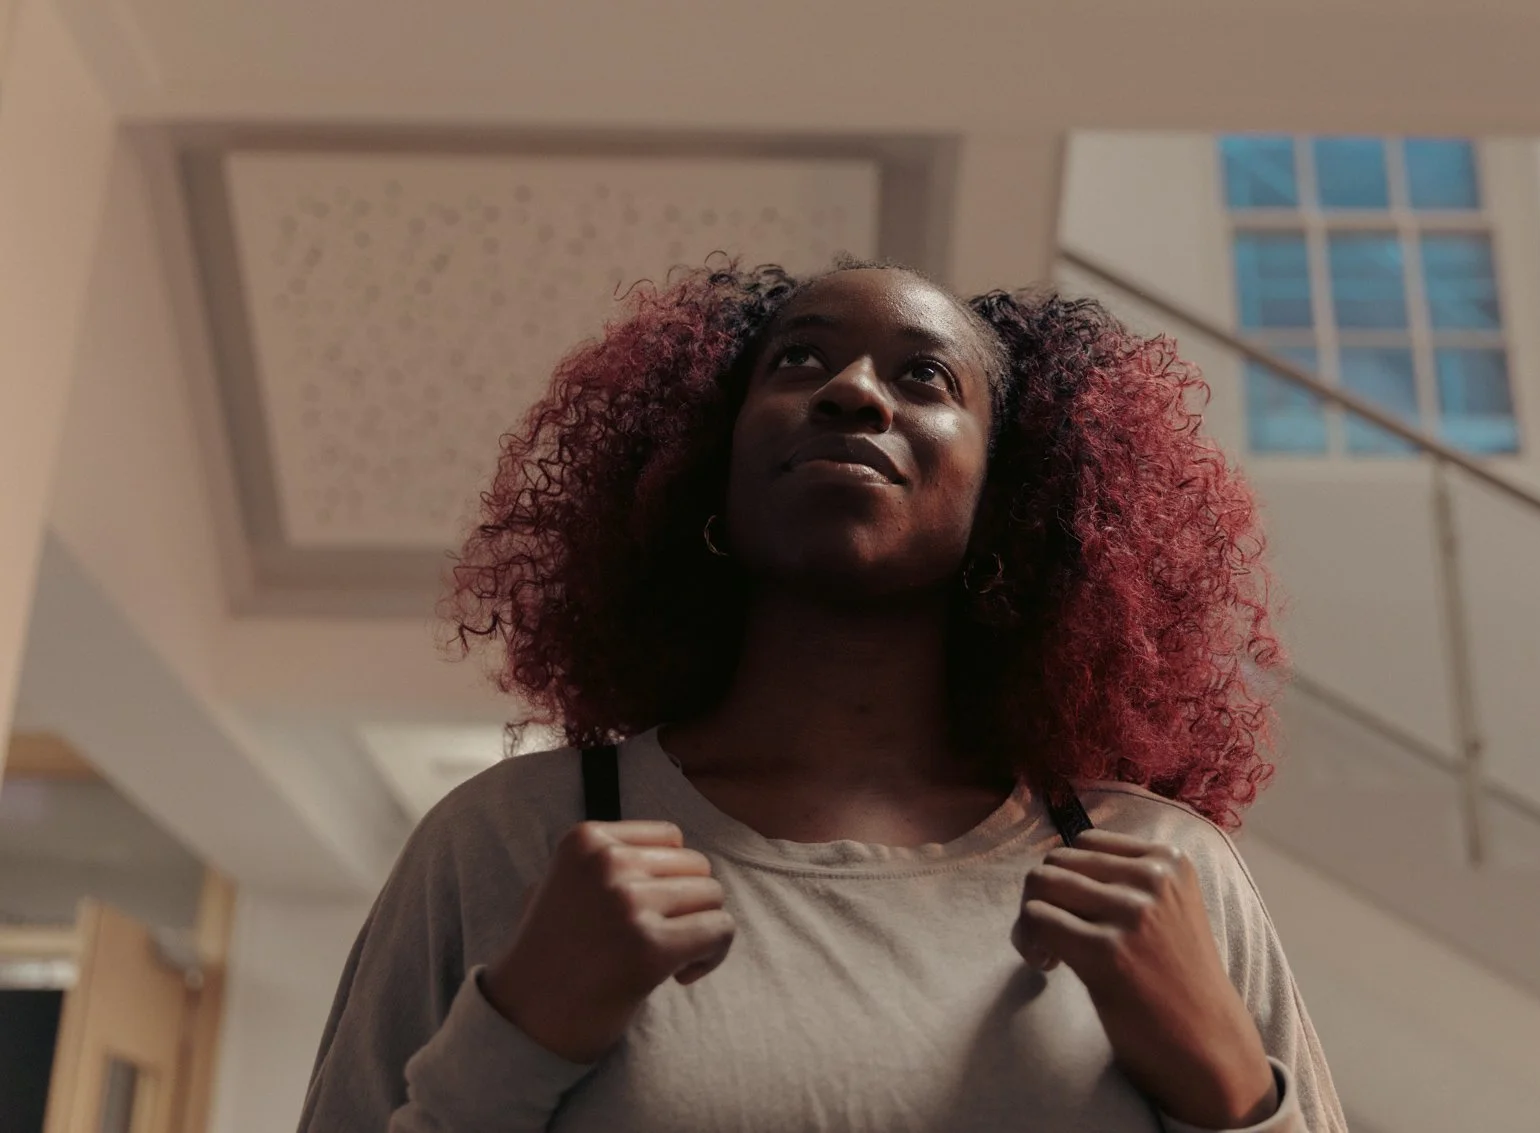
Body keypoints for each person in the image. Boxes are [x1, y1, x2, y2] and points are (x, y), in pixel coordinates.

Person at [297, 258, 1347, 1133]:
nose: (852, 390)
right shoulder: (505, 840)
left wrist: (1226, 1087)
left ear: (1011, 502)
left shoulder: (1165, 873)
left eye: (926, 378)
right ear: (704, 465)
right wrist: (514, 1036)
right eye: (798, 358)